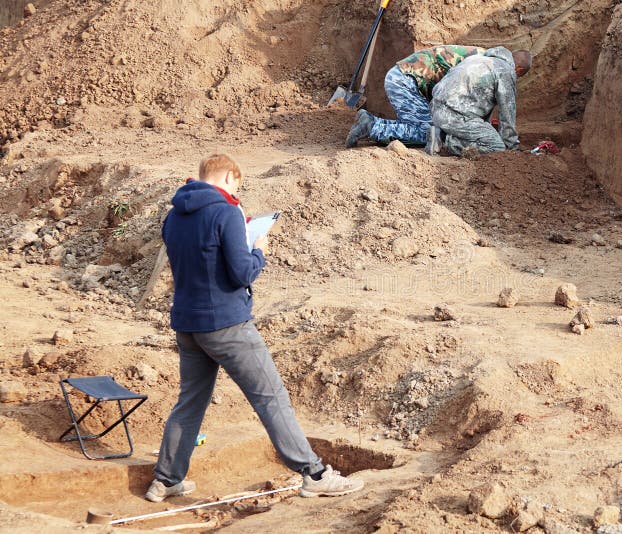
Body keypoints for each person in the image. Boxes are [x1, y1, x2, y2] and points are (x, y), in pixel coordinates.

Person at [145, 154, 363, 502]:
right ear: (229, 177)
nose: (237, 191)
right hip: (227, 324)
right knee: (272, 398)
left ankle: (167, 479)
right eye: (238, 184)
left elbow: (200, 261)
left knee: (189, 402)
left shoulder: (174, 215)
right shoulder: (226, 211)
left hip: (188, 324)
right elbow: (242, 272)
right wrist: (259, 250)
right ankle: (315, 474)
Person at [345, 45, 486, 148]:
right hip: (404, 80)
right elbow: (449, 99)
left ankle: (370, 121)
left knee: (419, 125)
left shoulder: (483, 59)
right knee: (432, 135)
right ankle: (371, 128)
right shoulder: (483, 68)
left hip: (403, 76)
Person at [425, 47, 532, 157]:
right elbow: (507, 113)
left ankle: (440, 133)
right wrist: (511, 148)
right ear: (518, 70)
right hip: (453, 116)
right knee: (496, 147)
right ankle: (442, 141)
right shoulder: (506, 71)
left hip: (435, 109)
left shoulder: (476, 59)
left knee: (484, 133)